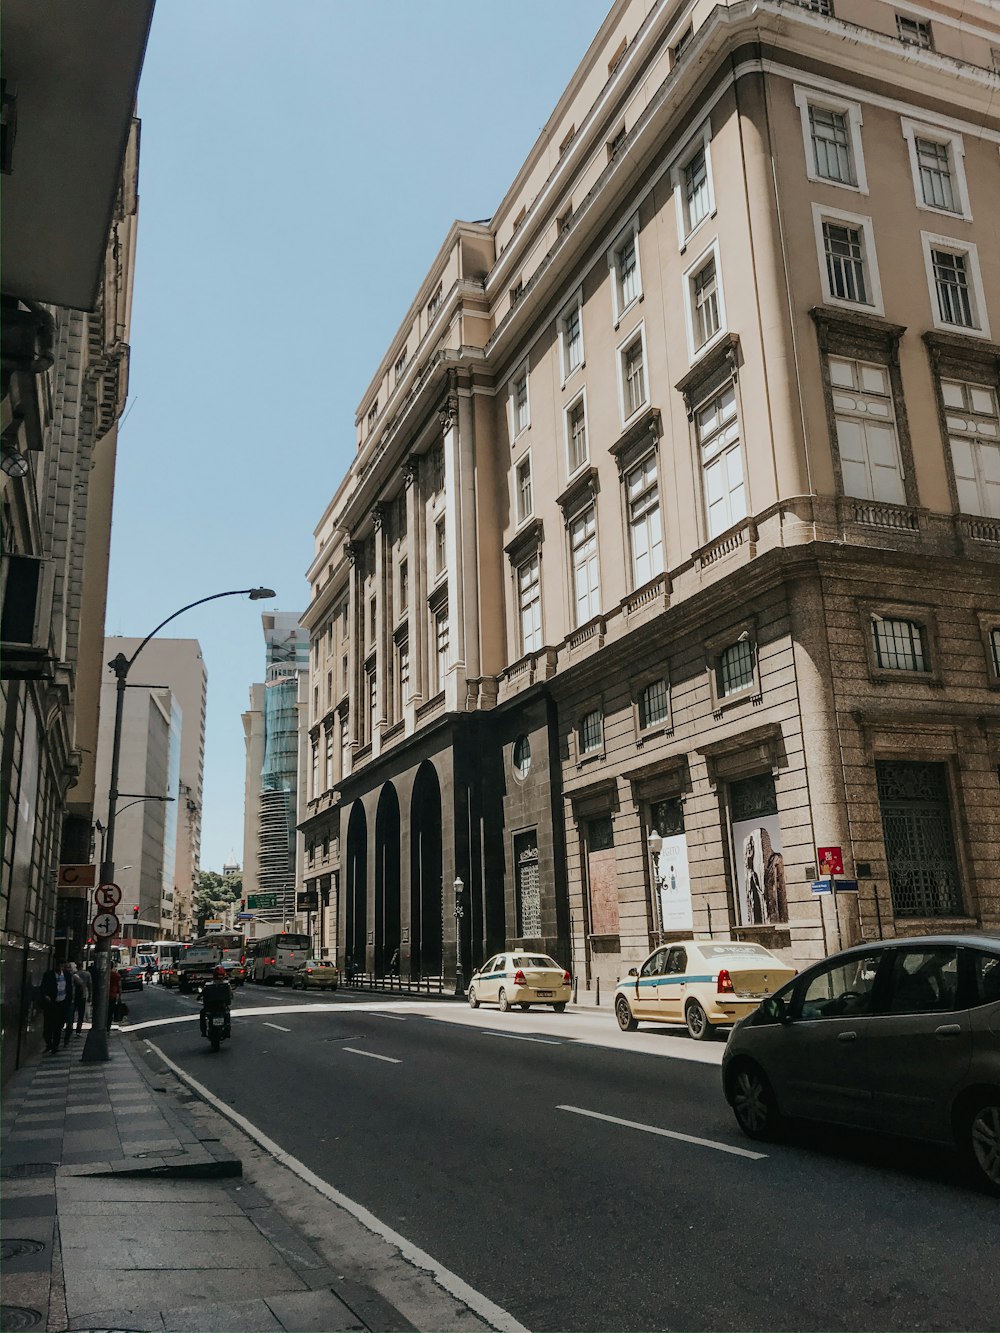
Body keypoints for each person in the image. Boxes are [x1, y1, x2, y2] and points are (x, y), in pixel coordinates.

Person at [38, 962, 69, 1053]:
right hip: (51, 1004)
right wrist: (46, 996)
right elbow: (43, 987)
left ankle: (55, 1045)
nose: (60, 968)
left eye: (62, 966)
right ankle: (49, 1043)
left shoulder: (66, 975)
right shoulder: (48, 975)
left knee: (58, 1026)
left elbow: (69, 989)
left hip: (61, 1004)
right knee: (48, 1025)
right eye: (59, 965)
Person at [199, 965, 233, 1037]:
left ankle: (204, 1031)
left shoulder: (209, 985)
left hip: (212, 1007)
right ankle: (227, 1030)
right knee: (227, 1013)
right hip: (219, 1007)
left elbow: (203, 994)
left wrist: (199, 996)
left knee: (202, 1014)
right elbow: (231, 996)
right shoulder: (226, 984)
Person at [73, 962, 91, 1035]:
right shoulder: (87, 974)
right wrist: (90, 995)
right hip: (83, 995)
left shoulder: (74, 974)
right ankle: (78, 1030)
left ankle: (70, 1027)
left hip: (74, 996)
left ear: (77, 967)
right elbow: (90, 985)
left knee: (72, 1013)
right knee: (81, 1014)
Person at [107, 965, 122, 1031]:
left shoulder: (103, 974)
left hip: (104, 996)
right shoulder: (116, 975)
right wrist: (120, 996)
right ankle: (108, 1027)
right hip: (112, 995)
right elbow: (119, 986)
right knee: (110, 1012)